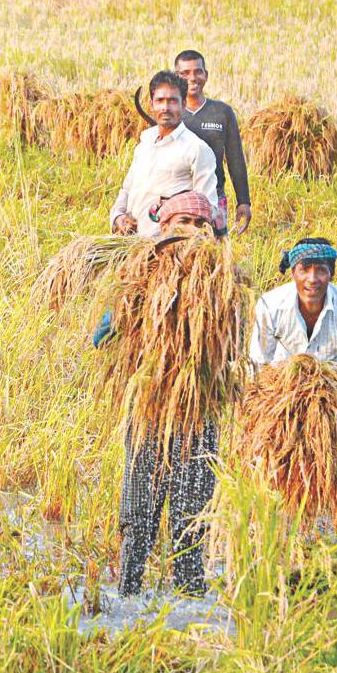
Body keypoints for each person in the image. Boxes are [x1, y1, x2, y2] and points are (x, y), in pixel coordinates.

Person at [94, 193, 221, 597]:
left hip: (199, 415)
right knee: (138, 517)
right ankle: (129, 597)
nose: (192, 231)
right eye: (183, 222)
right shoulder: (140, 276)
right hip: (149, 411)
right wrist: (130, 311)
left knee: (192, 521)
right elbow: (101, 337)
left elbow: (235, 350)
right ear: (164, 228)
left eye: (201, 224)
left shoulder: (225, 283)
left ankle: (189, 605)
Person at [246, 238, 337, 426]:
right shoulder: (270, 305)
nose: (312, 279)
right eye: (304, 269)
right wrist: (273, 397)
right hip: (284, 390)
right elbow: (258, 364)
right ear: (293, 273)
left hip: (336, 389)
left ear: (331, 274)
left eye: (321, 270)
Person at [110, 71, 218, 238]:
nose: (165, 108)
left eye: (172, 101)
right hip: (129, 242)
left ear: (184, 105)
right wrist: (118, 217)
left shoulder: (197, 148)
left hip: (166, 246)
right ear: (152, 104)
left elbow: (208, 207)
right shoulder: (145, 144)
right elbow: (126, 189)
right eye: (160, 100)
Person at [173, 50, 252, 235]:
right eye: (185, 73)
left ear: (206, 75)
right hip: (176, 200)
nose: (192, 78)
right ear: (176, 77)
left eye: (198, 72)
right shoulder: (170, 113)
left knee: (215, 249)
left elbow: (235, 159)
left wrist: (244, 201)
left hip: (214, 199)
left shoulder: (222, 112)